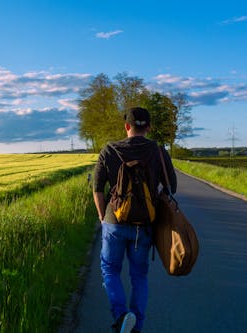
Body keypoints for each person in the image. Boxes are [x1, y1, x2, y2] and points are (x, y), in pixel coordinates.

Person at [92, 107, 177, 333]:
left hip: (114, 222)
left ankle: (121, 317)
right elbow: (172, 188)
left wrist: (102, 217)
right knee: (139, 276)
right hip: (145, 225)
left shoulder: (109, 150)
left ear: (127, 126)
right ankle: (136, 326)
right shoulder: (159, 151)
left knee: (110, 270)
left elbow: (97, 188)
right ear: (148, 127)